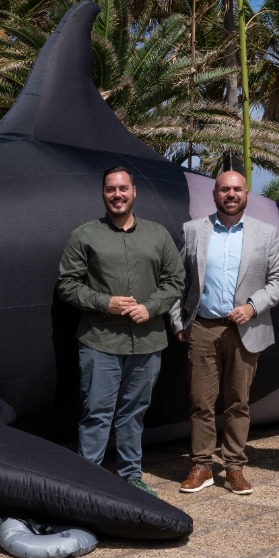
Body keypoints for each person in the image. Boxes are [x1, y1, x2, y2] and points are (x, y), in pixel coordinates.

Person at [57, 166, 184, 495]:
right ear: (103, 193)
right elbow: (67, 286)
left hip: (147, 343)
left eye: (123, 188)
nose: (117, 194)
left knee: (133, 415)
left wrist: (150, 307)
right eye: (111, 189)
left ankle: (130, 477)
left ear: (134, 191)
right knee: (96, 413)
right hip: (100, 343)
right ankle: (89, 480)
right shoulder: (84, 235)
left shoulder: (157, 235)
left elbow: (175, 282)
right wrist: (105, 303)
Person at [169, 171, 279, 496]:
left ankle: (234, 467)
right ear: (215, 194)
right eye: (225, 189)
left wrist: (252, 306)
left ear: (247, 194)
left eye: (237, 189)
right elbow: (178, 281)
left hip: (246, 329)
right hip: (204, 327)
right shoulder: (194, 230)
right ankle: (202, 466)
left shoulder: (266, 233)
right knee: (200, 402)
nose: (231, 194)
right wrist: (178, 322)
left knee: (238, 402)